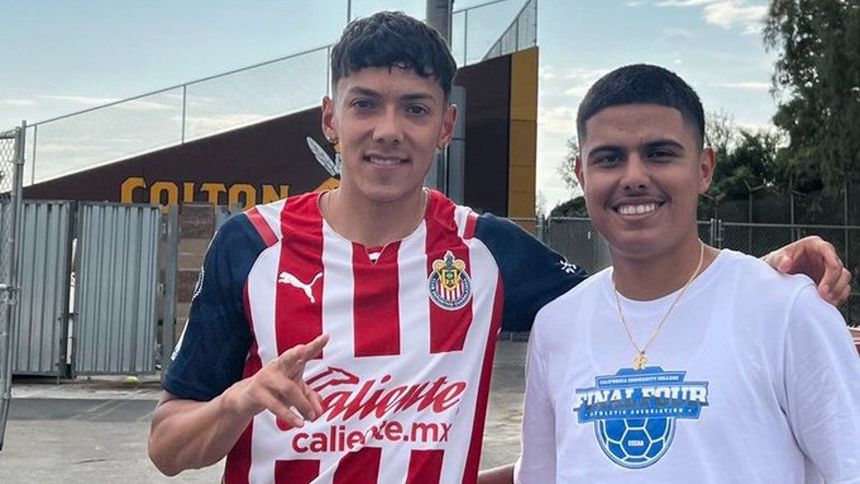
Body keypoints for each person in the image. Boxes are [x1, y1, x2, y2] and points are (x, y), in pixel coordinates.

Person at [147, 13, 851, 484]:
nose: (388, 129)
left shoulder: (486, 250)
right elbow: (166, 447)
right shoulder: (252, 245)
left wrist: (757, 280)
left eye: (414, 108)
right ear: (331, 118)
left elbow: (636, 292)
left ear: (444, 125)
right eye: (364, 104)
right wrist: (238, 400)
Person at [512, 64, 860, 483]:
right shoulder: (555, 326)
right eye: (609, 158)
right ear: (582, 175)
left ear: (704, 168)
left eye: (659, 153)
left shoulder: (788, 310)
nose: (634, 177)